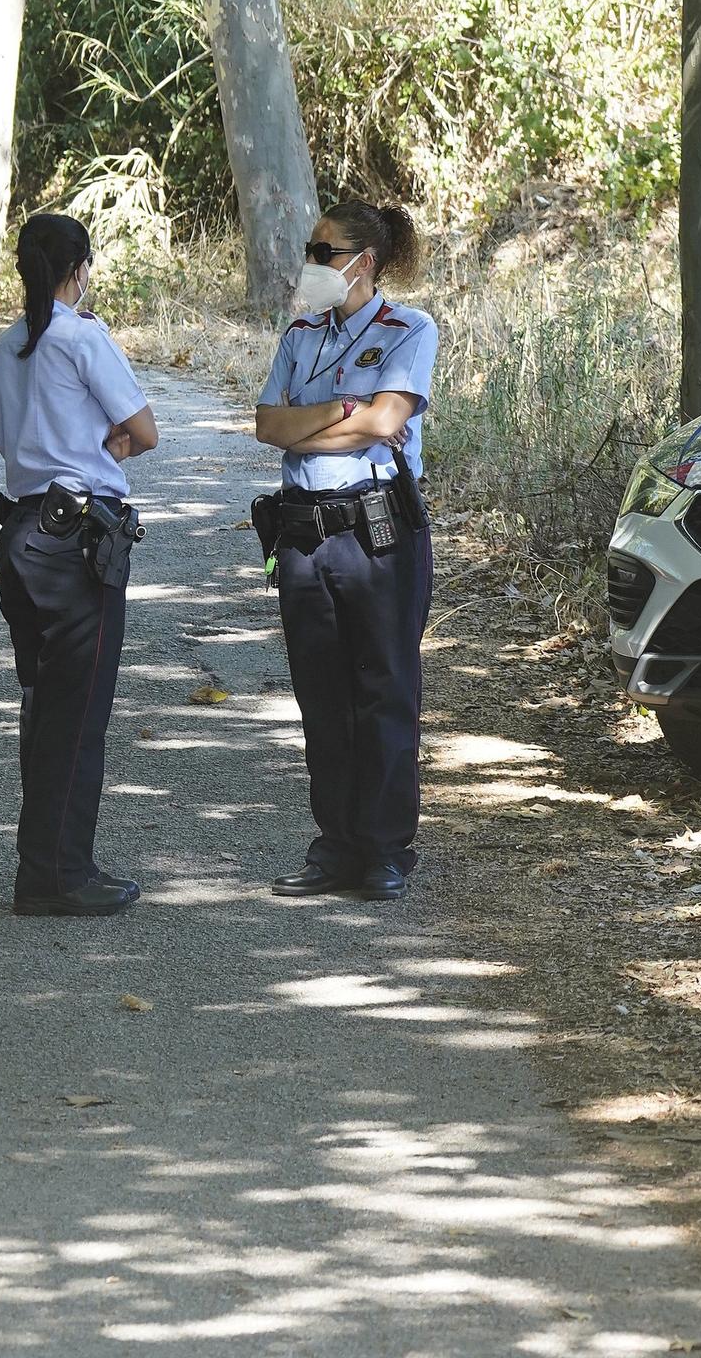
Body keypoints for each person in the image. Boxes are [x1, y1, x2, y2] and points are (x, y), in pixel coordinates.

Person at [255, 198, 437, 902]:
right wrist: (343, 414)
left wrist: (334, 423)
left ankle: (386, 848)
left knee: (384, 690)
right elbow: (268, 426)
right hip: (302, 531)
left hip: (376, 530)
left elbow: (388, 419)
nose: (311, 264)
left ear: (364, 262)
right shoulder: (300, 334)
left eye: (323, 252)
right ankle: (334, 846)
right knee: (321, 696)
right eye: (310, 250)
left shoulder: (407, 330)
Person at [0, 214, 159, 916]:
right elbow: (143, 431)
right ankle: (61, 875)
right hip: (77, 541)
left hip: (23, 532)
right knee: (77, 715)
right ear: (79, 269)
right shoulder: (82, 337)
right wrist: (103, 453)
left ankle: (44, 868)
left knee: (44, 707)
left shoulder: (8, 342)